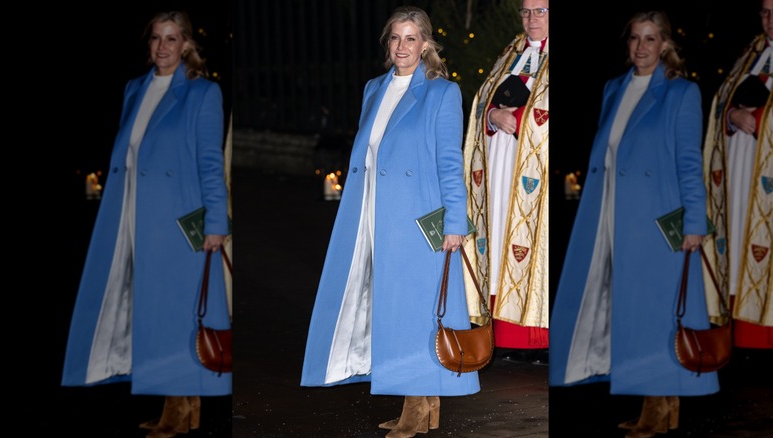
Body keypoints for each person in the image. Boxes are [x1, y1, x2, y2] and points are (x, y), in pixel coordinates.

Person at [300, 6, 479, 438]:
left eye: (411, 38)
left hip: (420, 221)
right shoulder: (373, 88)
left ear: (426, 45)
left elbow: (449, 163)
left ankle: (417, 410)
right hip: (372, 216)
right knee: (392, 307)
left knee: (416, 312)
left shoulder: (442, 93)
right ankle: (422, 404)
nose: (402, 46)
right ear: (388, 44)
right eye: (395, 38)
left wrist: (455, 222)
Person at [548, 10, 719, 438]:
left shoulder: (682, 93)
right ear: (627, 44)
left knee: (656, 314)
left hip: (660, 221)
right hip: (612, 216)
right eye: (635, 39)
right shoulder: (614, 88)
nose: (641, 47)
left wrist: (694, 224)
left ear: (665, 45)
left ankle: (657, 409)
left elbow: (688, 163)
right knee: (634, 311)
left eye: (650, 39)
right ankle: (661, 406)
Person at [61, 11, 230, 438]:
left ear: (186, 45)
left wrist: (216, 221)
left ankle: (178, 410)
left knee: (176, 312)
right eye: (156, 38)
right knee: (152, 311)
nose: (162, 47)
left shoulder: (202, 93)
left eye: (171, 39)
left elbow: (210, 164)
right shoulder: (134, 89)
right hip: (130, 217)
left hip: (179, 220)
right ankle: (180, 406)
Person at [462, 0, 549, 363]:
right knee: (499, 239)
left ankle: (542, 339)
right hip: (500, 166)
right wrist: (494, 114)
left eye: (541, 11)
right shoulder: (511, 52)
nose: (531, 19)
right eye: (526, 12)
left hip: (537, 172)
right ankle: (505, 336)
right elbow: (483, 98)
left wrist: (522, 118)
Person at [702, 0, 772, 349]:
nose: (770, 20)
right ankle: (744, 338)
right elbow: (721, 101)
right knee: (743, 243)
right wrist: (731, 118)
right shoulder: (752, 53)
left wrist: (759, 121)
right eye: (764, 12)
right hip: (742, 176)